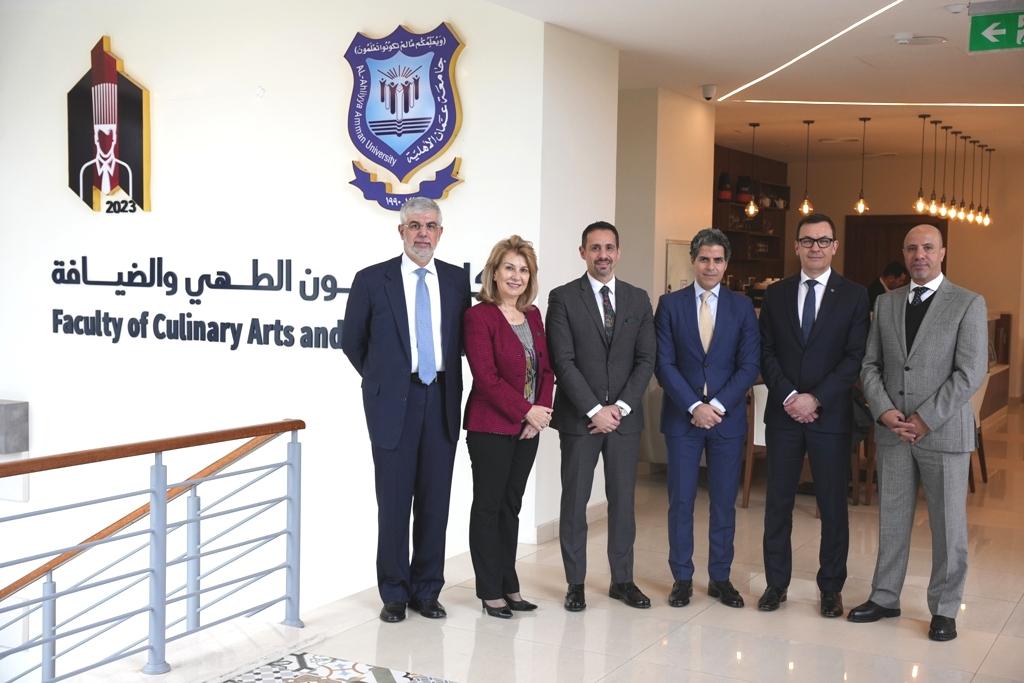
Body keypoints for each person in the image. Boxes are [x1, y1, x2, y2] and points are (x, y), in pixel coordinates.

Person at [848, 224, 987, 642]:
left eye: (928, 247)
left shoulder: (968, 303)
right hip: (894, 433)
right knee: (891, 520)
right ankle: (885, 596)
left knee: (948, 527)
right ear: (904, 254)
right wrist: (883, 409)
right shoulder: (886, 302)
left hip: (942, 433)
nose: (919, 255)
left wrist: (925, 418)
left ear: (942, 253)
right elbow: (870, 364)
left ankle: (944, 608)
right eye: (912, 248)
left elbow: (970, 372)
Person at [342, 197, 471, 623]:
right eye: (414, 225)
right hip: (393, 405)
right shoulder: (371, 280)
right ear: (401, 231)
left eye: (430, 226)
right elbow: (352, 341)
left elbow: (462, 341)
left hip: (441, 401)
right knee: (394, 503)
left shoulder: (456, 281)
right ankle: (394, 593)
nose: (422, 233)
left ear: (440, 233)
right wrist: (384, 380)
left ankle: (427, 591)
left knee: (435, 503)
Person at [757, 213, 869, 618]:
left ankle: (831, 588)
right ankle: (775, 584)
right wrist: (791, 395)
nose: (815, 247)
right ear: (796, 246)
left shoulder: (854, 295)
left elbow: (854, 357)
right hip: (784, 413)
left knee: (833, 506)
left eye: (823, 241)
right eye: (807, 240)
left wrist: (816, 398)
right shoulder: (776, 294)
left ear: (834, 246)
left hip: (830, 416)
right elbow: (766, 352)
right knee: (778, 503)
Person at [546, 220, 656, 612]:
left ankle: (622, 581)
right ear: (583, 253)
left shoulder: (637, 299)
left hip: (624, 421)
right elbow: (563, 361)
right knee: (575, 501)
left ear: (618, 252)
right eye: (595, 248)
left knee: (623, 502)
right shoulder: (562, 298)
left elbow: (646, 359)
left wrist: (619, 408)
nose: (603, 255)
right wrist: (595, 409)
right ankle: (575, 583)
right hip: (580, 419)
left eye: (609, 247)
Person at [654, 228, 760, 608]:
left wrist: (716, 406)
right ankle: (682, 578)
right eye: (704, 259)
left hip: (726, 420)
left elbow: (749, 365)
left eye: (717, 260)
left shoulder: (742, 307)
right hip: (682, 419)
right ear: (693, 260)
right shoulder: (669, 305)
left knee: (723, 503)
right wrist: (693, 406)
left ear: (726, 264)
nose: (710, 266)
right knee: (681, 501)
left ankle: (720, 578)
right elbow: (663, 364)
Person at [463, 235, 555, 619]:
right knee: (488, 507)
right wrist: (526, 411)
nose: (517, 276)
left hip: (528, 429)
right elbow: (486, 378)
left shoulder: (532, 315)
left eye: (524, 270)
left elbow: (546, 369)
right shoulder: (479, 316)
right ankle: (490, 591)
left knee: (510, 507)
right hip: (491, 428)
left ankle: (509, 584)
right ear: (495, 272)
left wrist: (540, 413)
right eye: (509, 268)